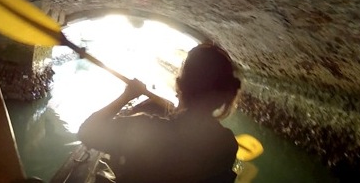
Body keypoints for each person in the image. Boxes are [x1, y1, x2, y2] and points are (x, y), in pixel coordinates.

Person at [77, 43, 242, 183]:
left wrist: (127, 96)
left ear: (179, 86)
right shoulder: (227, 143)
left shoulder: (143, 128)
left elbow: (87, 132)